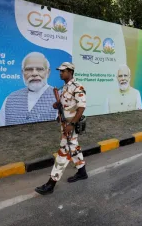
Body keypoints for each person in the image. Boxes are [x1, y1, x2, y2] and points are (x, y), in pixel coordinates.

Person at [35, 62, 88, 195]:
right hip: (65, 125)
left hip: (71, 126)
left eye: (63, 71)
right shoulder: (65, 87)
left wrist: (72, 125)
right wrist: (57, 104)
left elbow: (81, 108)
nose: (60, 73)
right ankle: (82, 172)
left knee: (63, 152)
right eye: (60, 71)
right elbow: (67, 104)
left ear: (70, 72)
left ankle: (51, 183)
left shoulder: (77, 87)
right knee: (74, 147)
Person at [0, 52, 57, 127]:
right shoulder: (10, 99)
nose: (34, 73)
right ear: (22, 73)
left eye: (40, 69)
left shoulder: (60, 97)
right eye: (29, 69)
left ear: (48, 72)